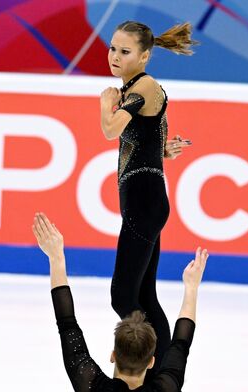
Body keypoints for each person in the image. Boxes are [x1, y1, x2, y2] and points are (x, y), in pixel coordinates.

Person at [99, 20, 199, 373]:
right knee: (143, 297)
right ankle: (164, 369)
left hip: (144, 202)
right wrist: (163, 151)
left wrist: (105, 102)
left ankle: (155, 366)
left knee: (122, 295)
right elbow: (151, 138)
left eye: (124, 52)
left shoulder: (143, 86)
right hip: (145, 201)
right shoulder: (137, 87)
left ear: (144, 56)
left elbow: (111, 130)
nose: (114, 56)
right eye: (112, 48)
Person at [32, 212, 208, 391]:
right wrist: (191, 287)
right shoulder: (165, 387)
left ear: (113, 356)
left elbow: (67, 323)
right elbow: (180, 343)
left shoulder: (91, 384)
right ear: (152, 362)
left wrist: (56, 258)